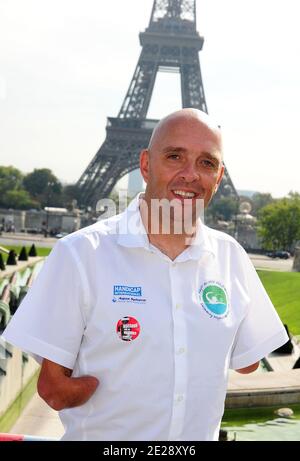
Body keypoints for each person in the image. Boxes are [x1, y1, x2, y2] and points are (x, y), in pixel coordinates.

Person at [2, 109, 288, 441]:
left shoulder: (232, 257)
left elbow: (247, 361)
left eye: (206, 163)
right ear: (146, 164)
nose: (190, 174)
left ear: (219, 176)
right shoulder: (79, 254)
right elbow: (54, 389)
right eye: (175, 156)